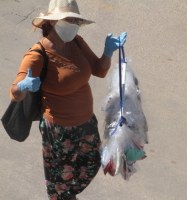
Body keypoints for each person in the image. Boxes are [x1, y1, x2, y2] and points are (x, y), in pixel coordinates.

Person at [9, 0, 127, 199]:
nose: (73, 24)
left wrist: (107, 53)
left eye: (76, 20)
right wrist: (23, 86)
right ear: (53, 22)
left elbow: (99, 69)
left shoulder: (77, 43)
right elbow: (15, 91)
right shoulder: (38, 54)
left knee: (91, 164)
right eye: (69, 19)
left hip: (87, 123)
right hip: (59, 130)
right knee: (60, 179)